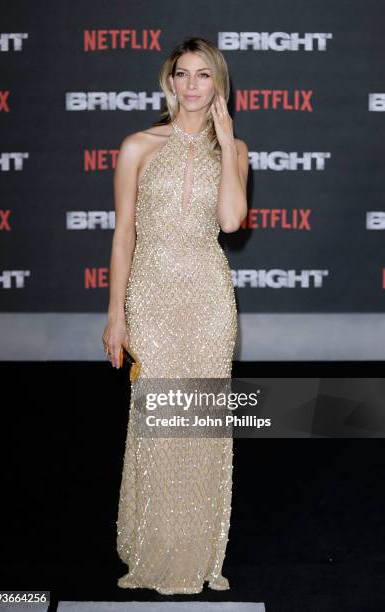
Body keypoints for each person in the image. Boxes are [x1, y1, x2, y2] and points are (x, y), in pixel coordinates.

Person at [102, 36, 249, 595]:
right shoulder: (137, 144)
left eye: (203, 75)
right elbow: (123, 235)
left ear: (218, 84)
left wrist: (229, 137)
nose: (192, 85)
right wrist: (116, 315)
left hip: (208, 297)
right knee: (158, 419)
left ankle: (200, 548)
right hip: (153, 293)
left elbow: (232, 222)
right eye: (183, 74)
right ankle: (153, 544)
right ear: (169, 82)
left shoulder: (234, 149)